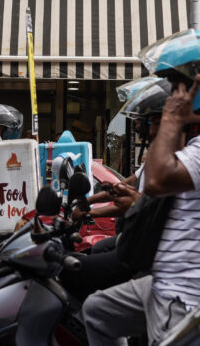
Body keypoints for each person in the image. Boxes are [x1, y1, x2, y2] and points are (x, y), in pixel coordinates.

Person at [82, 29, 200, 345]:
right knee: (97, 310)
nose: (173, 95)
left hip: (190, 294)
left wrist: (171, 119)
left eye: (179, 86)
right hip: (171, 281)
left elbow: (156, 181)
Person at [62, 77, 171, 302]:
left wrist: (90, 211)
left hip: (143, 245)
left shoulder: (170, 160)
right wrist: (90, 201)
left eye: (147, 121)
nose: (141, 128)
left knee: (78, 278)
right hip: (133, 236)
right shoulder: (153, 157)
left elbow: (132, 204)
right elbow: (124, 186)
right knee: (94, 252)